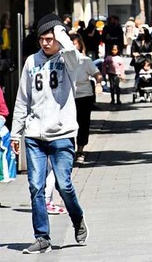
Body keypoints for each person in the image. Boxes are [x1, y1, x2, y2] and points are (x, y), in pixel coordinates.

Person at [10, 13, 89, 254]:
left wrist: (62, 34)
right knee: (36, 187)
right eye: (42, 39)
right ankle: (42, 236)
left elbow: (75, 54)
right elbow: (22, 99)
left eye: (50, 38)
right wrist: (16, 133)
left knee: (64, 185)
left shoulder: (68, 60)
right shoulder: (31, 62)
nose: (46, 43)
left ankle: (77, 218)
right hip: (35, 135)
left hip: (62, 133)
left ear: (59, 38)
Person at [70, 34, 102, 163]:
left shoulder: (85, 60)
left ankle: (80, 150)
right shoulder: (62, 60)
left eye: (75, 43)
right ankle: (69, 150)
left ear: (80, 45)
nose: (72, 46)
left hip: (84, 96)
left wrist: (98, 83)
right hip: (68, 97)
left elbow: (97, 74)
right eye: (70, 43)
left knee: (83, 124)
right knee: (69, 125)